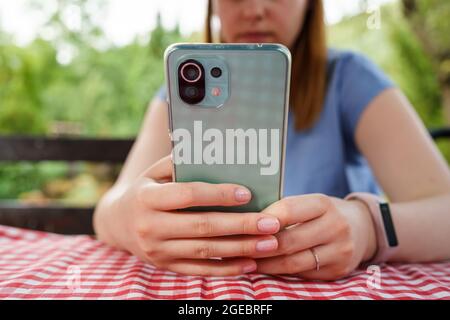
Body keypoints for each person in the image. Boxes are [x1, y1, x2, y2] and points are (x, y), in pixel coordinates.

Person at [93, 0, 450, 280]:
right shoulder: (178, 93)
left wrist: (368, 228)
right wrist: (129, 219)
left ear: (310, 3)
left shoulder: (349, 78)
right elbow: (108, 210)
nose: (255, 9)